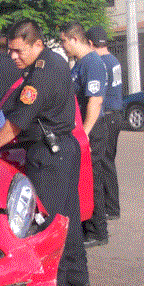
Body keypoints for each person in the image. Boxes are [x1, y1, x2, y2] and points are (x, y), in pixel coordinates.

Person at [0, 19, 87, 286]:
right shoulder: (56, 62)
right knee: (68, 214)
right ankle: (78, 276)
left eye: (18, 51)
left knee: (46, 223)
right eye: (10, 51)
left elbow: (16, 123)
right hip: (65, 147)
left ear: (37, 45)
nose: (13, 56)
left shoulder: (38, 77)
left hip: (47, 154)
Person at [60, 21, 109, 249]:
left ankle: (98, 231)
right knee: (85, 179)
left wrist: (85, 133)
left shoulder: (92, 63)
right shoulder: (80, 63)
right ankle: (89, 224)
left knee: (94, 179)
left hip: (92, 129)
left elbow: (95, 100)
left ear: (74, 39)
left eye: (63, 41)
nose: (62, 45)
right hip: (81, 128)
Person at [86, 25, 123, 221]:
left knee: (105, 163)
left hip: (107, 115)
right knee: (109, 161)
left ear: (90, 44)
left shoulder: (99, 63)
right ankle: (112, 206)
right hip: (116, 114)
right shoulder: (113, 60)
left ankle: (111, 207)